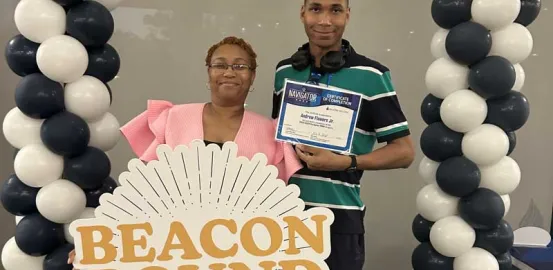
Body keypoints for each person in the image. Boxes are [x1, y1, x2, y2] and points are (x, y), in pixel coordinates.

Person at [67, 36, 303, 268]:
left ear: (252, 76)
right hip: (174, 248)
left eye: (240, 66)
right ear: (208, 73)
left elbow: (276, 208)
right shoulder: (173, 119)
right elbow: (145, 191)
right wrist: (98, 243)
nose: (229, 72)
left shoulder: (270, 133)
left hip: (241, 253)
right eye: (220, 65)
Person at [271, 0, 415, 269]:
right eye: (316, 9)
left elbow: (404, 152)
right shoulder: (285, 72)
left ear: (347, 15)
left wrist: (346, 162)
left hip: (338, 219)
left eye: (335, 10)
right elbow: (277, 141)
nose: (325, 20)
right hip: (283, 214)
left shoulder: (372, 75)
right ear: (302, 13)